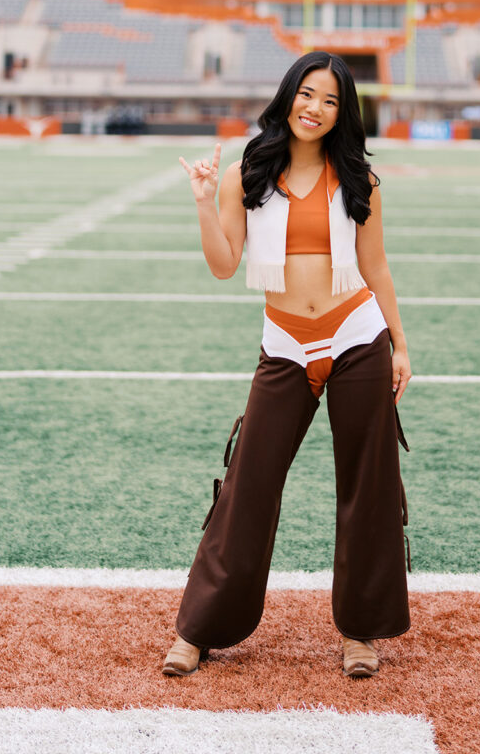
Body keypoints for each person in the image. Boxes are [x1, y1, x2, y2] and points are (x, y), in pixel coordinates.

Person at [164, 51, 412, 679]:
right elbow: (224, 265)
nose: (316, 109)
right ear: (288, 96)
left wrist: (400, 347)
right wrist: (200, 200)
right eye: (308, 94)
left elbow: (376, 266)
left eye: (331, 101)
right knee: (249, 484)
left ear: (342, 113)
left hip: (357, 336)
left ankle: (362, 632)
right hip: (285, 343)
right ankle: (200, 629)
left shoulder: (360, 180)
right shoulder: (247, 174)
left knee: (368, 484)